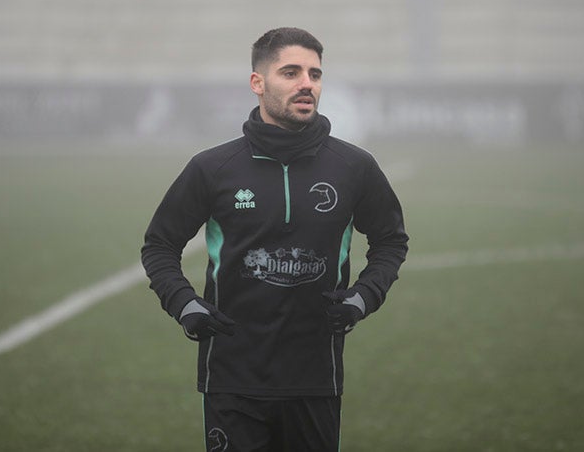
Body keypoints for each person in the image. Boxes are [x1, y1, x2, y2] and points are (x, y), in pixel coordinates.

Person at [141, 26, 408, 452]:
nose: (307, 84)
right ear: (258, 83)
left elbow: (391, 240)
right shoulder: (213, 168)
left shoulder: (354, 166)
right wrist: (183, 303)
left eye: (315, 74)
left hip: (316, 377)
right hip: (232, 375)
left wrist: (363, 297)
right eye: (291, 72)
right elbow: (159, 245)